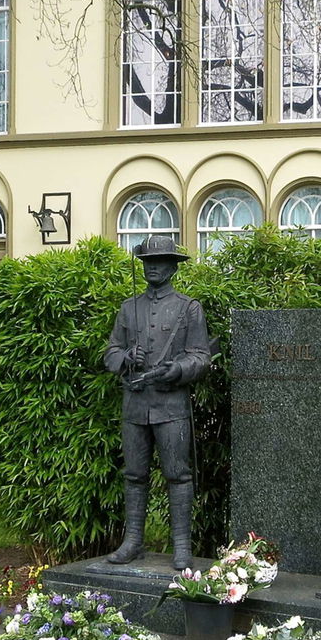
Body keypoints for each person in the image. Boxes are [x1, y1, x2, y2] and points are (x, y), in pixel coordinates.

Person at [103, 234, 212, 570]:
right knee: (134, 474)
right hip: (135, 406)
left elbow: (201, 357)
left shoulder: (188, 308)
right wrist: (125, 357)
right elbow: (110, 353)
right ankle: (133, 540)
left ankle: (181, 545)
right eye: (148, 261)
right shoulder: (128, 307)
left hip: (171, 407)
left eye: (160, 261)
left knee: (178, 474)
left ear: (172, 267)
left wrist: (176, 369)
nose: (153, 267)